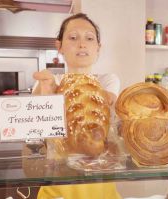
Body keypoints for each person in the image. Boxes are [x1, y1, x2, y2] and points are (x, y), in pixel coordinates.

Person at [32, 13, 121, 199]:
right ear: (60, 47)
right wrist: (47, 92)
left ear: (98, 47)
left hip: (101, 187)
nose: (82, 44)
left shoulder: (107, 81)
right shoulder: (49, 81)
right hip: (59, 188)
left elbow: (106, 102)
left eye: (89, 38)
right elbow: (40, 130)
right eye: (73, 38)